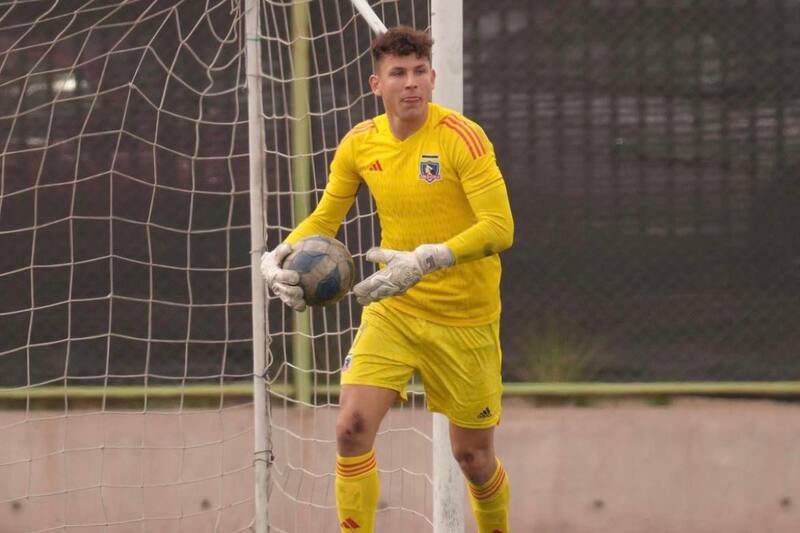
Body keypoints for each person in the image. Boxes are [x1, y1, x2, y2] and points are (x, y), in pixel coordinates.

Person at [261, 26, 514, 533]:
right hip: (394, 308)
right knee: (351, 428)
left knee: (474, 460)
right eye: (398, 73)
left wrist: (428, 258)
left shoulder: (462, 137)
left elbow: (500, 227)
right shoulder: (360, 143)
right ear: (377, 84)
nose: (411, 83)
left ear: (432, 77)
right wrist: (280, 255)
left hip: (465, 320)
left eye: (419, 72)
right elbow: (325, 219)